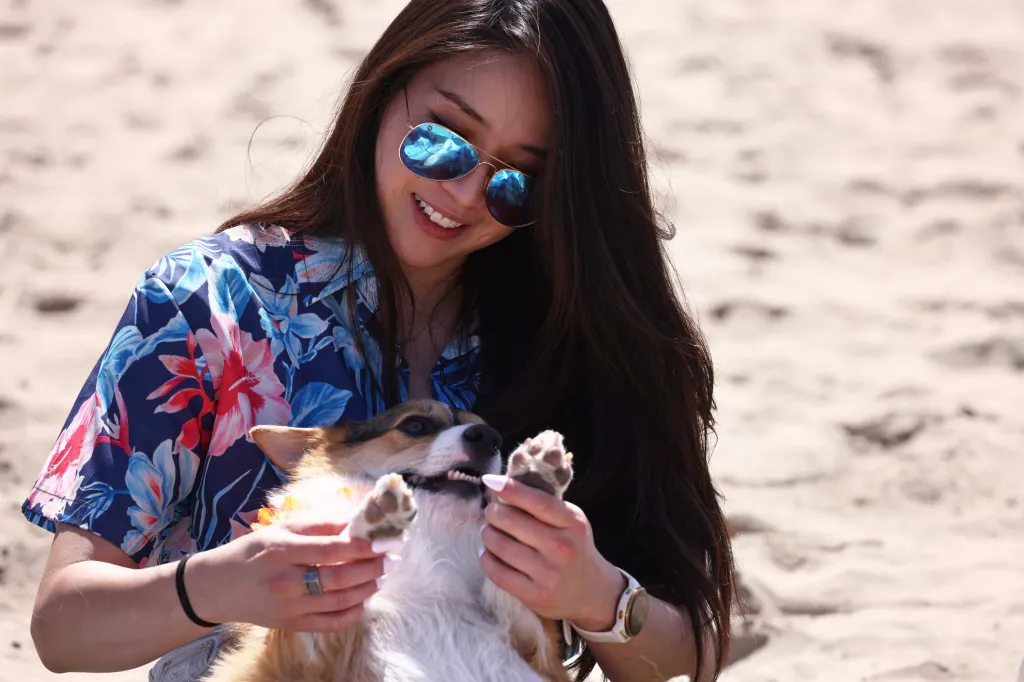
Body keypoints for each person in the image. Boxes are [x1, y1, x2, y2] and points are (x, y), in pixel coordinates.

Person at [22, 0, 736, 680]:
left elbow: (693, 655)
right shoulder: (211, 301)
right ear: (380, 88)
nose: (462, 194)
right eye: (443, 140)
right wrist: (216, 584)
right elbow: (62, 628)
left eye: (517, 183)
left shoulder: (577, 340)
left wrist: (600, 598)